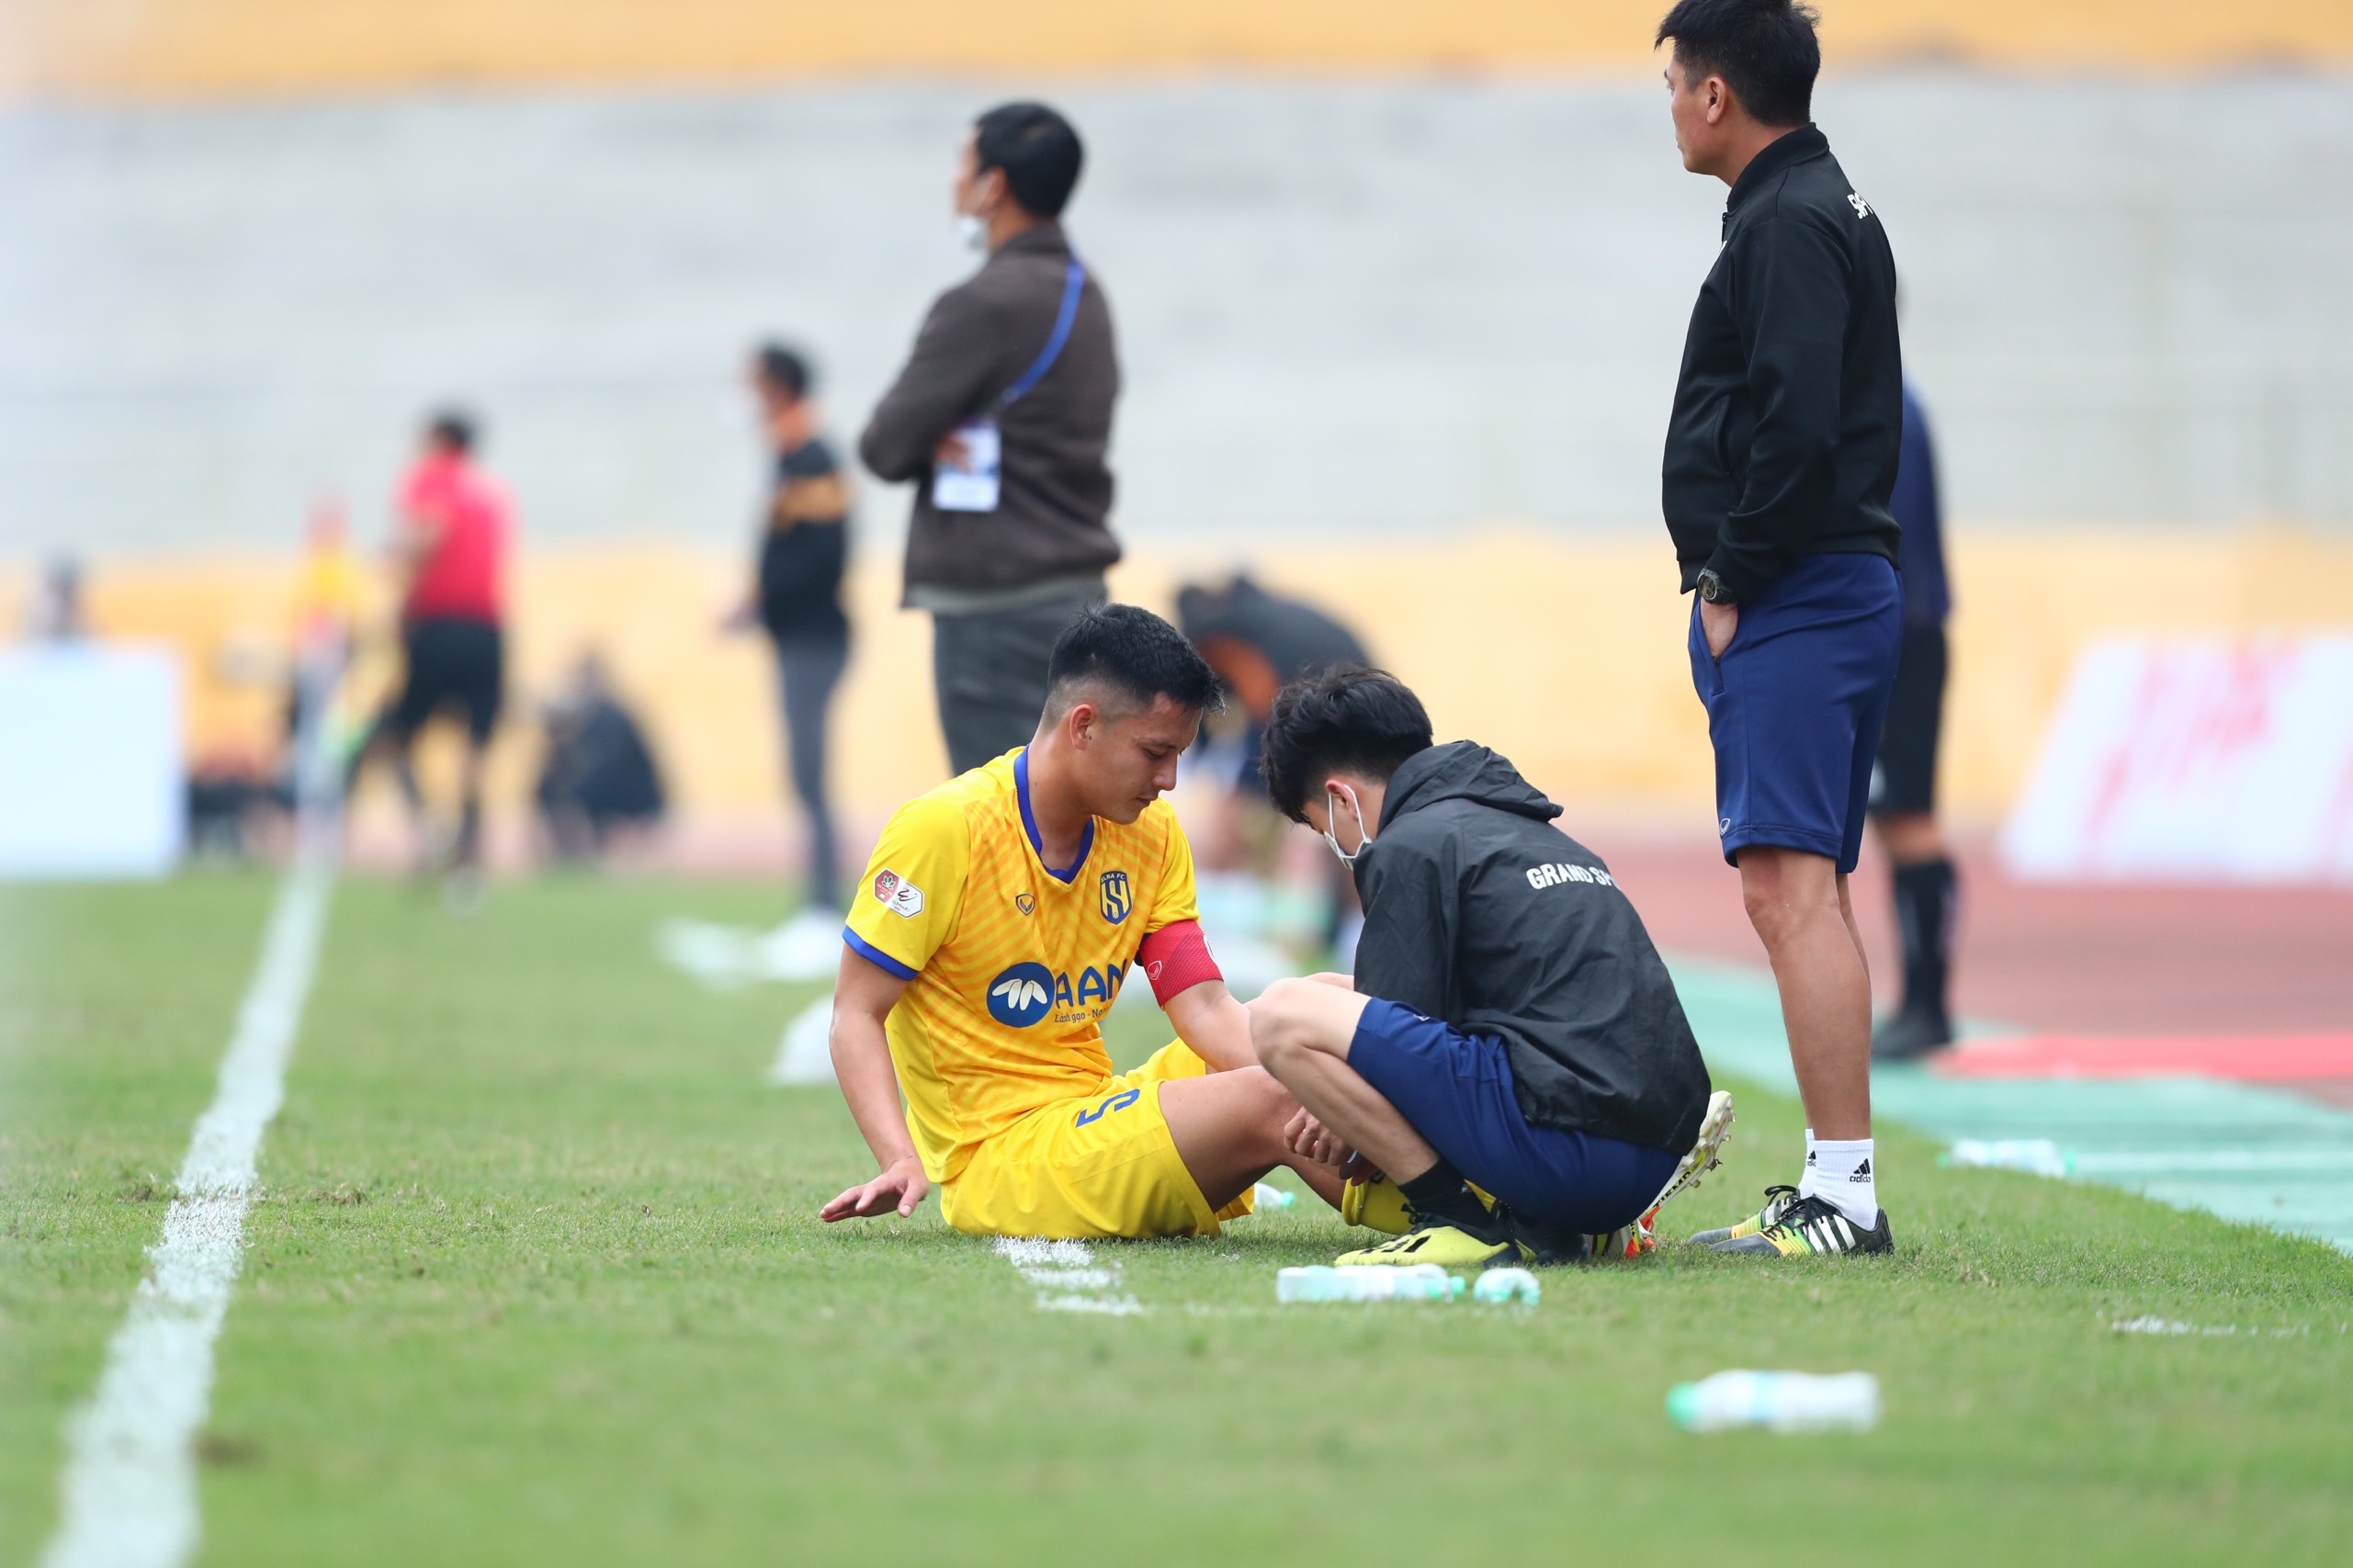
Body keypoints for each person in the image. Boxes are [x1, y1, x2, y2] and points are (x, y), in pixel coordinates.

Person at [819, 605, 1352, 1239]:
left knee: (1322, 1004)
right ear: (1083, 725)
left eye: (1180, 754)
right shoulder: (942, 829)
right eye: (1155, 752)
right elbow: (855, 1012)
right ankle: (1438, 1207)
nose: (1170, 780)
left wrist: (1311, 1065)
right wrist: (899, 1156)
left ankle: (1465, 1178)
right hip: (1004, 1162)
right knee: (1278, 1094)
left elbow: (1206, 1009)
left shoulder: (1150, 835)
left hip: (1092, 1117)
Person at [1657, 0, 1904, 1257]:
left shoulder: (1795, 221)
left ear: (1716, 95)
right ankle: (1837, 1181)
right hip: (1812, 585)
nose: (1670, 104)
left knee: (1787, 888)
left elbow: (1795, 424)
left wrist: (1731, 574)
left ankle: (1844, 1195)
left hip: (1799, 587)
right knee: (1803, 886)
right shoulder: (1803, 207)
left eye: (1675, 82)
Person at [1244, 666, 1730, 1269]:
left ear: (1342, 797)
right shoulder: (1532, 830)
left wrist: (1336, 1112)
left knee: (1281, 1014)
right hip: (1648, 1145)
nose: (1339, 849)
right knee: (1325, 993)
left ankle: (1453, 1218)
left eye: (1326, 831)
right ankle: (1555, 1225)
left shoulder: (1409, 843)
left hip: (1570, 1150)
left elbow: (1395, 1044)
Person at [859, 102, 1121, 776]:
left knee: (1002, 830)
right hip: (1079, 598)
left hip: (994, 613)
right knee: (1076, 822)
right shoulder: (1084, 293)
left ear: (994, 185)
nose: (955, 180)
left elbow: (884, 445)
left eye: (964, 163)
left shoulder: (981, 302)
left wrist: (935, 432)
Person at [349, 410, 513, 888]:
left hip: (437, 625)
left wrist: (394, 567)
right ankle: (468, 847)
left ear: (440, 439)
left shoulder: (431, 479)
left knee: (394, 736)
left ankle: (428, 828)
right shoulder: (491, 493)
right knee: (476, 746)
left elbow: (429, 533)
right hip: (487, 629)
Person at [736, 343, 853, 915]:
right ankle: (820, 901)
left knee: (810, 774)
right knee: (804, 775)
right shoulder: (789, 456)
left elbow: (824, 556)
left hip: (816, 638)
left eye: (753, 383)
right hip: (797, 636)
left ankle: (826, 905)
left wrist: (768, 597)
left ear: (778, 387)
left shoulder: (812, 457)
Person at [1869, 382, 1960, 1059]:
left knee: (1906, 819)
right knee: (1895, 819)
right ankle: (1920, 1001)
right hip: (1904, 630)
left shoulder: (1879, 401)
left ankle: (1927, 1002)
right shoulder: (1894, 398)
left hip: (1899, 635)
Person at [535, 651, 665, 863]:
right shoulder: (580, 716)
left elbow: (611, 761)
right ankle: (566, 850)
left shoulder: (611, 716)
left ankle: (581, 851)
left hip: (626, 788)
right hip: (602, 783)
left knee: (584, 791)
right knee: (551, 789)